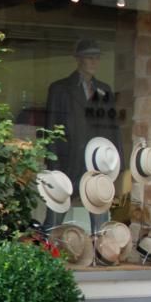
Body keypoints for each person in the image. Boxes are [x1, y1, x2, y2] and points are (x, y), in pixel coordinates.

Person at [44, 38, 121, 190]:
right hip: (69, 162)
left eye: (97, 58)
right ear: (79, 59)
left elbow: (113, 129)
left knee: (97, 201)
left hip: (97, 160)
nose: (94, 62)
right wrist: (54, 167)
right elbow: (51, 129)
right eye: (89, 57)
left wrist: (116, 164)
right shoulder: (60, 89)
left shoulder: (104, 89)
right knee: (65, 200)